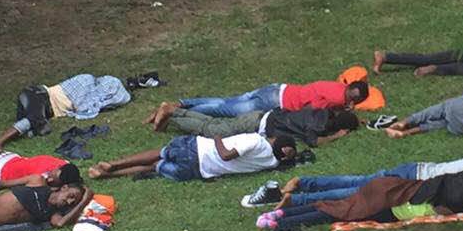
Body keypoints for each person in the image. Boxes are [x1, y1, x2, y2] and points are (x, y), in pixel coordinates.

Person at [257, 170, 463, 231]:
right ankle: (282, 221)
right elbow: (442, 211)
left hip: (390, 186)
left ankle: (281, 213)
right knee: (335, 211)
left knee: (337, 204)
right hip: (389, 205)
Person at [242, 155, 463, 208]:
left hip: (414, 169)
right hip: (413, 182)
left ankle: (304, 183)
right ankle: (297, 198)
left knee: (358, 182)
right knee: (355, 194)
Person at [0, 73, 132, 150]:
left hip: (41, 104)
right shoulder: (86, 81)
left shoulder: (91, 87)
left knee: (35, 130)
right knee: (34, 120)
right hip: (39, 95)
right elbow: (84, 103)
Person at [87, 133, 297, 182]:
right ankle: (108, 175)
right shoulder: (271, 163)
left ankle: (113, 164)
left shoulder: (257, 141)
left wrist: (216, 138)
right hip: (195, 172)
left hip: (197, 150)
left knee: (161, 152)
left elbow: (225, 155)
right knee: (154, 166)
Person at [147, 102, 359, 147]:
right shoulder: (319, 125)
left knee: (216, 123)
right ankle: (172, 115)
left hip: (260, 116)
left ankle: (173, 112)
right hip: (257, 125)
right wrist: (336, 136)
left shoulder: (322, 112)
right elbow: (314, 141)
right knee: (212, 131)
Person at [178, 80, 369, 118]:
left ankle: (183, 103)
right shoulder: (338, 99)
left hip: (277, 88)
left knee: (228, 101)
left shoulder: (338, 86)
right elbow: (312, 111)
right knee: (226, 110)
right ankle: (179, 113)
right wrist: (339, 112)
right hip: (276, 102)